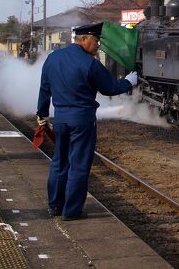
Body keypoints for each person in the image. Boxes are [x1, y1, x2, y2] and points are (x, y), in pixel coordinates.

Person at [36, 22, 138, 221]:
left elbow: (44, 89)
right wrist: (129, 82)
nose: (98, 45)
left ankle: (54, 205)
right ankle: (71, 211)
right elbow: (109, 88)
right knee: (79, 165)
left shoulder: (53, 58)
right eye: (96, 41)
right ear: (84, 39)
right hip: (82, 120)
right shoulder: (90, 64)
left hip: (60, 119)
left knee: (59, 162)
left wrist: (41, 113)